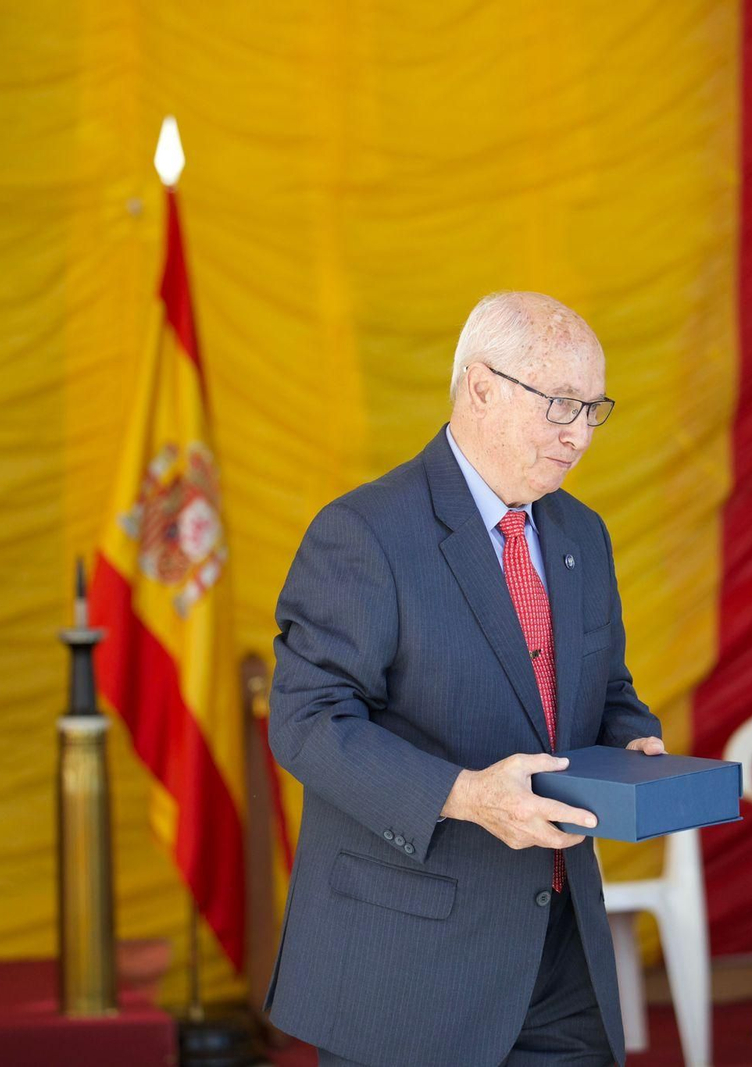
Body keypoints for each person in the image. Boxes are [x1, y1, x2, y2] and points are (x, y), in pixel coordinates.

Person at [266, 291, 664, 1066]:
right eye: (560, 404)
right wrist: (466, 794)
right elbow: (307, 722)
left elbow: (607, 686)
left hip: (560, 953)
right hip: (409, 962)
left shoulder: (584, 532)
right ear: (480, 387)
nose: (580, 433)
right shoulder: (363, 532)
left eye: (594, 408)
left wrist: (632, 742)